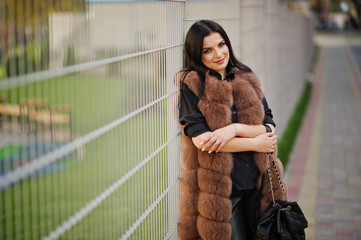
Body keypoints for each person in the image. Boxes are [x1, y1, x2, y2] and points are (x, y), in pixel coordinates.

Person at [177, 20, 286, 240]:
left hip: (259, 185)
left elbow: (269, 125)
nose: (218, 53)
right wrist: (254, 142)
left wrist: (234, 129)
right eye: (207, 50)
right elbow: (203, 141)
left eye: (221, 44)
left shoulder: (247, 79)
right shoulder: (193, 86)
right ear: (197, 54)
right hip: (222, 194)